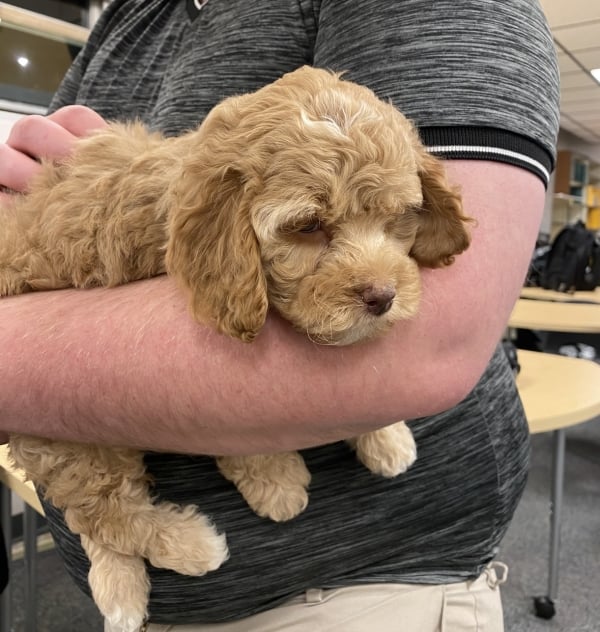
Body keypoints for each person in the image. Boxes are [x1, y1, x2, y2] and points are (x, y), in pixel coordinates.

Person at [0, 0, 559, 630]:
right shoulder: (129, 15)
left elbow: (426, 349)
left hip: (363, 588)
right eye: (310, 227)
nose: (378, 277)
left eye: (395, 221)